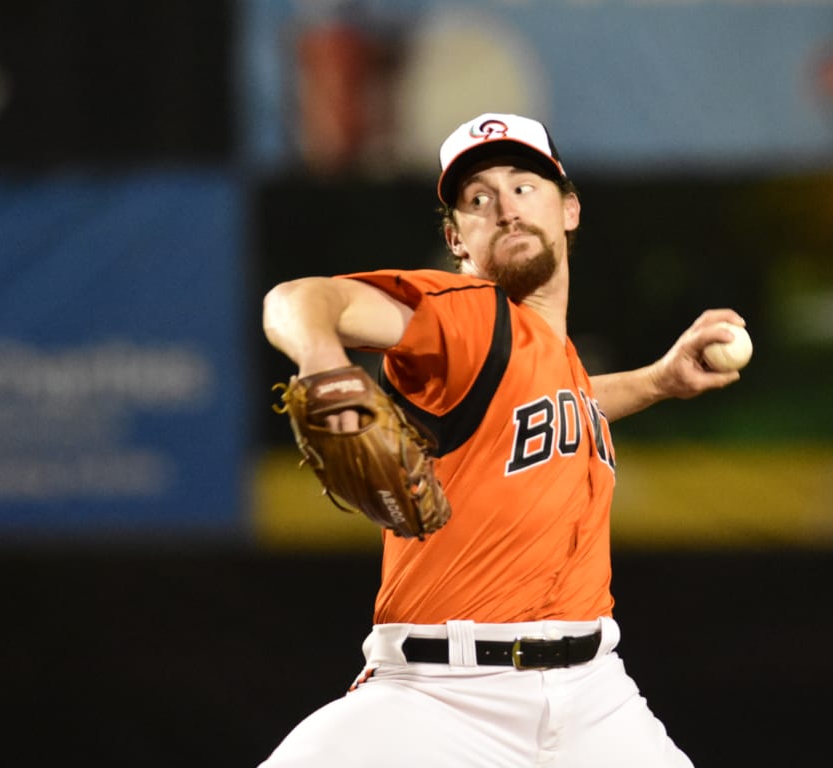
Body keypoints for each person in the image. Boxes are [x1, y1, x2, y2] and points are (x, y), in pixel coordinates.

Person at [258, 112, 745, 767]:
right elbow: (296, 299)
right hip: (440, 702)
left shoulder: (552, 357)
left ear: (569, 209)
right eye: (479, 200)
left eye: (524, 186)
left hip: (595, 697)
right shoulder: (463, 319)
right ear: (459, 241)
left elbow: (557, 402)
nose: (506, 208)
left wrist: (656, 382)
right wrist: (323, 360)